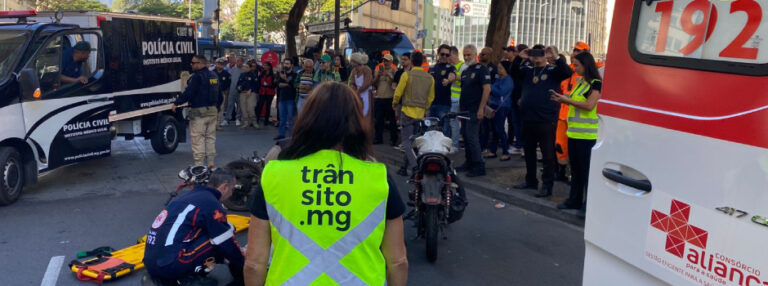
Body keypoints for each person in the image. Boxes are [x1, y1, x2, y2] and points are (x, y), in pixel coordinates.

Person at [243, 82, 409, 286]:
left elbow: (254, 263)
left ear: (307, 118)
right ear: (357, 122)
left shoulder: (274, 174)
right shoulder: (379, 177)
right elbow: (398, 261)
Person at [144, 168, 245, 286]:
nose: (231, 194)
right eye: (232, 189)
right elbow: (226, 242)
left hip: (152, 262)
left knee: (212, 232)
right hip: (169, 265)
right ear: (225, 186)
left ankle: (177, 275)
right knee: (226, 232)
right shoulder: (211, 202)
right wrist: (245, 265)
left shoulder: (190, 196)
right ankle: (184, 280)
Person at [510, 46, 573, 197]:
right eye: (534, 54)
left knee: (548, 155)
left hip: (546, 119)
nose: (536, 57)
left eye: (540, 54)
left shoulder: (552, 71)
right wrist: (520, 57)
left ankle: (547, 185)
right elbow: (513, 72)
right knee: (529, 152)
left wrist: (555, 57)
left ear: (545, 56)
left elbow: (567, 72)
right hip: (528, 118)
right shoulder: (528, 70)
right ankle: (531, 180)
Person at [551, 51, 602, 212]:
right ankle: (574, 200)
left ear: (586, 65)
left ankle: (588, 205)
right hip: (574, 134)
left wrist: (566, 100)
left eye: (577, 65)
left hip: (587, 136)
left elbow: (589, 105)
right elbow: (576, 101)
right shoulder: (581, 82)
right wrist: (562, 97)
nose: (574, 68)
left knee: (586, 172)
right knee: (576, 171)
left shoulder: (596, 83)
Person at [392, 52, 435, 176]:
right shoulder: (429, 78)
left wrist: (394, 103)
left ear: (411, 61)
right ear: (422, 62)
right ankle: (403, 167)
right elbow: (431, 97)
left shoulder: (407, 75)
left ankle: (415, 166)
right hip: (420, 114)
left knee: (406, 142)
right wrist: (425, 109)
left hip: (407, 111)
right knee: (412, 142)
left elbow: (398, 92)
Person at [172, 55, 219, 166]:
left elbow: (189, 93)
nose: (191, 65)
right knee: (210, 139)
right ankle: (211, 165)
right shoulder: (214, 75)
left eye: (193, 63)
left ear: (200, 64)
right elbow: (219, 95)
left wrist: (176, 103)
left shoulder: (196, 77)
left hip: (199, 113)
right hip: (212, 112)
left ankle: (199, 166)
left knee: (198, 140)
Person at [456, 45, 491, 177]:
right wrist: (460, 110)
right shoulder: (465, 71)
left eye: (469, 55)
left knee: (472, 137)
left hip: (475, 109)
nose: (466, 57)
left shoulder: (482, 69)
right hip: (464, 110)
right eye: (464, 55)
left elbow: (487, 89)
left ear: (476, 54)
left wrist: (481, 108)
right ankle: (469, 162)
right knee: (465, 136)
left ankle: (479, 165)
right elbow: (463, 91)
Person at [482, 62, 514, 161]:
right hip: (494, 105)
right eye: (498, 68)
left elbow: (501, 91)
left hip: (502, 106)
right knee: (494, 129)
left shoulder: (508, 80)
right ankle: (493, 150)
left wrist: (490, 87)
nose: (498, 70)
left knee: (499, 128)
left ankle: (506, 151)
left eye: (501, 68)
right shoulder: (499, 78)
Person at [428, 44, 457, 138]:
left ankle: (444, 151)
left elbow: (452, 76)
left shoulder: (451, 68)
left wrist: (449, 80)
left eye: (447, 55)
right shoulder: (431, 68)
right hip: (431, 103)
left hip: (444, 104)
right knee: (430, 128)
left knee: (444, 129)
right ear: (438, 53)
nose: (444, 56)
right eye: (442, 54)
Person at [506, 44, 529, 155]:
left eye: (515, 51)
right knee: (516, 122)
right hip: (515, 96)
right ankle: (519, 144)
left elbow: (526, 83)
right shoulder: (519, 62)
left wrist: (523, 96)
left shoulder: (530, 64)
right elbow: (512, 72)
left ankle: (522, 145)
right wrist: (519, 58)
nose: (514, 53)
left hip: (522, 98)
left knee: (521, 123)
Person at [373, 53, 398, 146]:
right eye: (384, 60)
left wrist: (388, 75)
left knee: (392, 121)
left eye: (387, 61)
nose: (385, 62)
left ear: (391, 61)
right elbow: (374, 84)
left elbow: (395, 84)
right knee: (378, 120)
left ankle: (393, 139)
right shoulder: (379, 70)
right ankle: (378, 138)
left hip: (389, 98)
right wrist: (378, 76)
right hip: (379, 98)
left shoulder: (394, 71)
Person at [448, 46, 466, 152]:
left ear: (454, 54)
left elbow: (465, 80)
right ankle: (451, 143)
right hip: (450, 99)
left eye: (449, 55)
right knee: (450, 123)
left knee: (454, 123)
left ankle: (455, 145)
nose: (448, 58)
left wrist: (455, 77)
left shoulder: (463, 67)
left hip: (457, 99)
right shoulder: (451, 66)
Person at [275, 58, 297, 140]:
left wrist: (285, 80)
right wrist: (287, 83)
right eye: (285, 63)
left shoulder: (294, 75)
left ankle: (292, 136)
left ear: (291, 65)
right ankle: (281, 134)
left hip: (291, 99)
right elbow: (279, 85)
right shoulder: (281, 74)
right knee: (282, 118)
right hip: (282, 98)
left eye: (288, 63)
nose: (286, 65)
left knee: (291, 118)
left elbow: (294, 85)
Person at [349, 52, 374, 118]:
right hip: (358, 93)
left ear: (356, 61)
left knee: (365, 112)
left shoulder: (367, 69)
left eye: (352, 61)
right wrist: (352, 87)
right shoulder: (354, 70)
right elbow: (352, 82)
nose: (351, 63)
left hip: (366, 93)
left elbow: (367, 83)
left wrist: (358, 92)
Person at [223, 57, 246, 127]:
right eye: (237, 61)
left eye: (240, 61)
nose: (238, 62)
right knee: (230, 104)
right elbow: (229, 79)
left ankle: (238, 119)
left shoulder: (244, 70)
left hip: (240, 91)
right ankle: (226, 119)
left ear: (242, 62)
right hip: (232, 90)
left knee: (239, 105)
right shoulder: (233, 69)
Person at [236, 61, 259, 129]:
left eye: (247, 67)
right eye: (244, 67)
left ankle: (254, 122)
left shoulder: (254, 75)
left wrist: (251, 89)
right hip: (242, 93)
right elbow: (238, 84)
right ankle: (245, 123)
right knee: (243, 109)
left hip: (251, 93)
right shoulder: (242, 75)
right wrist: (238, 87)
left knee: (250, 108)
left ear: (250, 68)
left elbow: (256, 85)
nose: (245, 68)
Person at [254, 62, 276, 127]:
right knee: (259, 105)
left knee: (268, 106)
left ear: (269, 66)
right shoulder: (262, 73)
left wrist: (268, 85)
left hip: (270, 92)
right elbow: (258, 82)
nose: (265, 66)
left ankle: (266, 121)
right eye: (264, 65)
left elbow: (274, 85)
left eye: (266, 65)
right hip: (262, 91)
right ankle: (256, 120)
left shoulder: (273, 75)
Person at [213, 58, 232, 131]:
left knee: (220, 109)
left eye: (222, 64)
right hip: (213, 94)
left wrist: (226, 92)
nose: (220, 65)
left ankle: (217, 124)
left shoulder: (226, 74)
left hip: (222, 93)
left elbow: (228, 84)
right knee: (213, 109)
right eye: (218, 64)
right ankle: (212, 124)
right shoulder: (212, 73)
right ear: (216, 64)